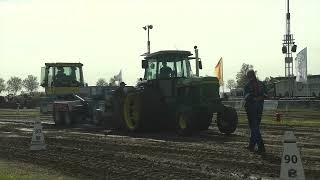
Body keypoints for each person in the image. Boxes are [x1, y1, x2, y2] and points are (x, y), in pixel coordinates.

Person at [244, 70, 267, 154]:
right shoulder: (262, 84)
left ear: (249, 76)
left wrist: (253, 98)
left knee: (254, 127)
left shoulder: (247, 85)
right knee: (256, 126)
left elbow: (246, 97)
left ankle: (261, 147)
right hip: (260, 107)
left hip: (251, 107)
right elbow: (265, 95)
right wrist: (259, 98)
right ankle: (251, 145)